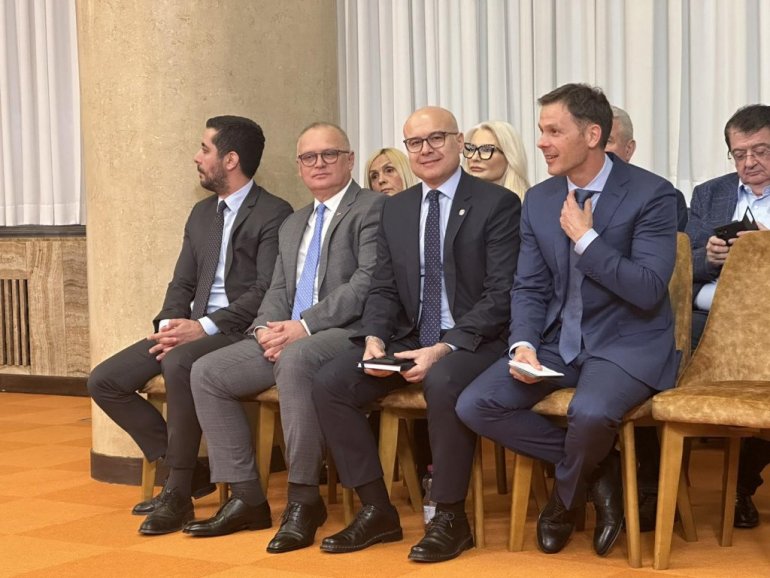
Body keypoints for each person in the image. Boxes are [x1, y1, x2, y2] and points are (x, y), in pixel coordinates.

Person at [457, 83, 679, 558]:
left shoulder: (653, 194)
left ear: (592, 135)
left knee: (590, 414)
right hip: (560, 341)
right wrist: (523, 343)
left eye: (554, 131)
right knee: (476, 404)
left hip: (627, 341)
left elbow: (647, 288)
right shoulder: (539, 200)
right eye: (541, 130)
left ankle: (562, 499)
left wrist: (586, 240)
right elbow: (529, 287)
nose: (541, 142)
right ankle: (598, 468)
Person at [312, 106, 520, 563]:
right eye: (414, 142)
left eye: (436, 138)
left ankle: (449, 517)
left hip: (474, 338)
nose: (425, 150)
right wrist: (374, 338)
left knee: (443, 381)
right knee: (331, 382)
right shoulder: (397, 208)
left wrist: (445, 346)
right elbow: (384, 286)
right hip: (410, 335)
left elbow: (500, 294)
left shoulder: (497, 203)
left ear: (459, 142)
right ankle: (377, 509)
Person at [87, 115, 293, 535]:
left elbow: (265, 290)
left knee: (180, 361)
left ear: (230, 159)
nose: (196, 157)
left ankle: (177, 492)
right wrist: (170, 325)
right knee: (104, 381)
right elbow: (181, 282)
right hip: (191, 330)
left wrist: (205, 327)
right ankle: (187, 469)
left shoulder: (274, 212)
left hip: (237, 331)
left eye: (204, 149)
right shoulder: (201, 214)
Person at [184, 122, 384, 551]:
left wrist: (303, 326)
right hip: (289, 333)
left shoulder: (373, 209)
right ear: (298, 166)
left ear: (350, 160)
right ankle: (247, 498)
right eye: (309, 157)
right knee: (207, 372)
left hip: (346, 332)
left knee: (296, 360)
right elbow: (277, 289)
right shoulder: (294, 223)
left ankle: (303, 500)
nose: (319, 164)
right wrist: (265, 330)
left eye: (329, 154)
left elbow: (365, 283)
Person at [684, 103, 770, 529]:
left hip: (765, 323)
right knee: (654, 344)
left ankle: (742, 484)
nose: (749, 162)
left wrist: (763, 248)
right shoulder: (709, 194)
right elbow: (681, 262)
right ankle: (653, 487)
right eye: (739, 154)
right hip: (708, 320)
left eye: (761, 151)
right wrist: (709, 258)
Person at [605, 105, 689, 531]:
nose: (598, 153)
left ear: (630, 148)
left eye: (608, 143)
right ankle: (596, 480)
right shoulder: (560, 196)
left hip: (642, 325)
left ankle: (651, 486)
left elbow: (666, 269)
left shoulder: (656, 195)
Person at [605, 105, 688, 232]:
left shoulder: (659, 198)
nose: (596, 148)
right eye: (590, 139)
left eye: (607, 141)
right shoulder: (573, 191)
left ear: (628, 149)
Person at [463, 120, 530, 199]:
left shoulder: (530, 203)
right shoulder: (455, 200)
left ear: (509, 157)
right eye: (471, 149)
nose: (474, 158)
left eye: (486, 150)